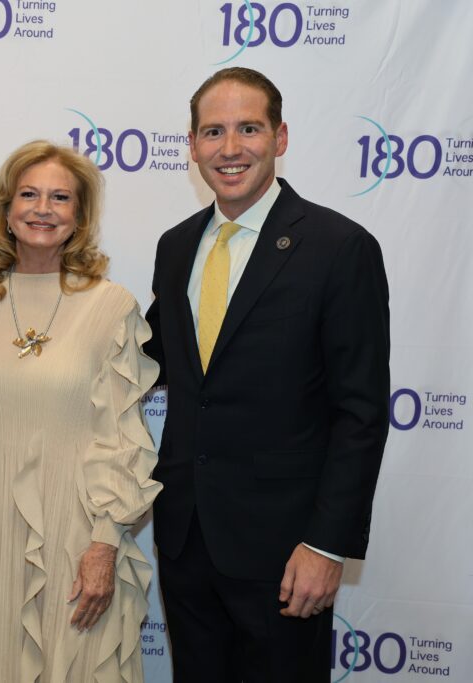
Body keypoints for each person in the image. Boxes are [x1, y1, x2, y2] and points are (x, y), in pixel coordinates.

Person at [144, 67, 390, 681]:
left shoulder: (340, 247)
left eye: (248, 129)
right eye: (213, 132)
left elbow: (360, 412)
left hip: (287, 553)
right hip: (186, 541)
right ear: (193, 145)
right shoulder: (175, 247)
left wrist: (326, 544)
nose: (230, 149)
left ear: (280, 137)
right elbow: (149, 361)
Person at [0, 141, 160, 682]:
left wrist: (104, 544)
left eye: (61, 197)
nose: (43, 208)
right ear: (6, 210)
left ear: (79, 216)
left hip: (75, 535)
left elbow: (125, 437)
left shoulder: (112, 306)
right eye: (29, 195)